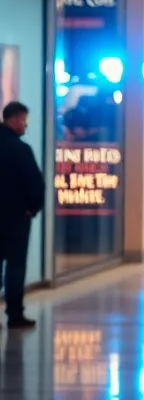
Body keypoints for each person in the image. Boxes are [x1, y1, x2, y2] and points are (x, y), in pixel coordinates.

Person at [0, 101, 42, 330]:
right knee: (15, 267)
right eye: (24, 120)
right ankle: (14, 314)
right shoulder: (20, 149)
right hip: (16, 219)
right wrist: (31, 209)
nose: (25, 125)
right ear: (15, 119)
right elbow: (35, 184)